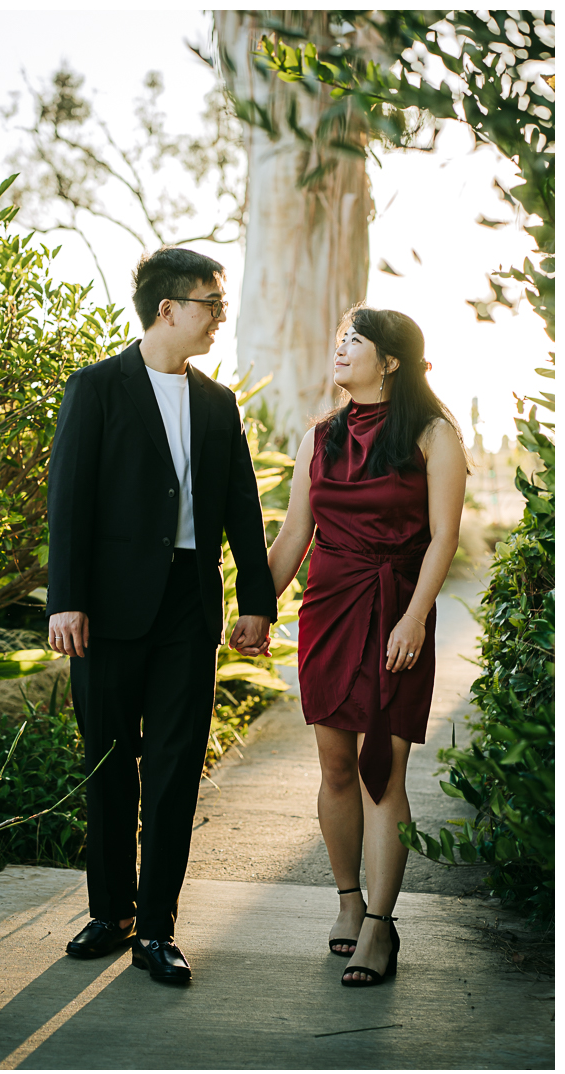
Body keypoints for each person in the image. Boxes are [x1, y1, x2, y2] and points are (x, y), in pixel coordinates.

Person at [45, 246, 276, 983]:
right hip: (104, 609)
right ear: (168, 309)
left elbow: (243, 503)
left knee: (175, 769)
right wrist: (66, 600)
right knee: (108, 763)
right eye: (211, 304)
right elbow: (69, 502)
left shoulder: (217, 403)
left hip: (188, 603)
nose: (220, 318)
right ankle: (109, 914)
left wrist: (257, 604)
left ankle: (157, 930)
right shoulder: (96, 388)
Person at [267, 304, 467, 987]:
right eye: (340, 339)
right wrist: (253, 611)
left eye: (356, 340)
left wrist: (414, 618)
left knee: (384, 771)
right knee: (333, 768)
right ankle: (348, 901)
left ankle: (381, 928)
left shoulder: (434, 434)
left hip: (396, 610)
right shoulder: (318, 437)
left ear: (391, 361)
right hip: (328, 608)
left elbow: (444, 536)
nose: (340, 347)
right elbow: (294, 536)